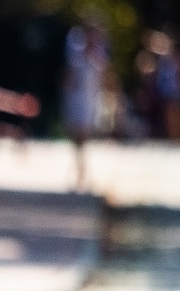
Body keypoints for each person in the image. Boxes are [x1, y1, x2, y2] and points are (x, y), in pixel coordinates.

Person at [63, 21, 108, 192]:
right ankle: (81, 170)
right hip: (76, 99)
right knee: (78, 138)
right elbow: (69, 78)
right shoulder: (75, 54)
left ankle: (81, 172)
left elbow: (103, 78)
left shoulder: (99, 55)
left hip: (90, 100)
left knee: (83, 136)